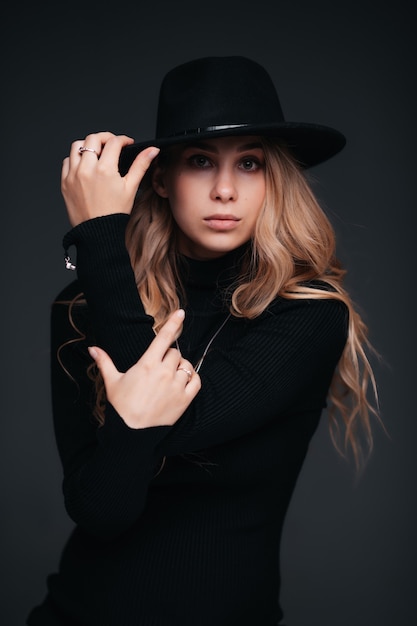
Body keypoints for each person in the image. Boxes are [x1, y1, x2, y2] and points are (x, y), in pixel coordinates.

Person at [27, 56, 378, 626]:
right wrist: (102, 255)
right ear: (160, 178)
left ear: (274, 178)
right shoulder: (84, 305)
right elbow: (100, 510)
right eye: (199, 161)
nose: (223, 190)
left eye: (249, 163)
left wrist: (99, 240)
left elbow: (180, 416)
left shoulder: (307, 312)